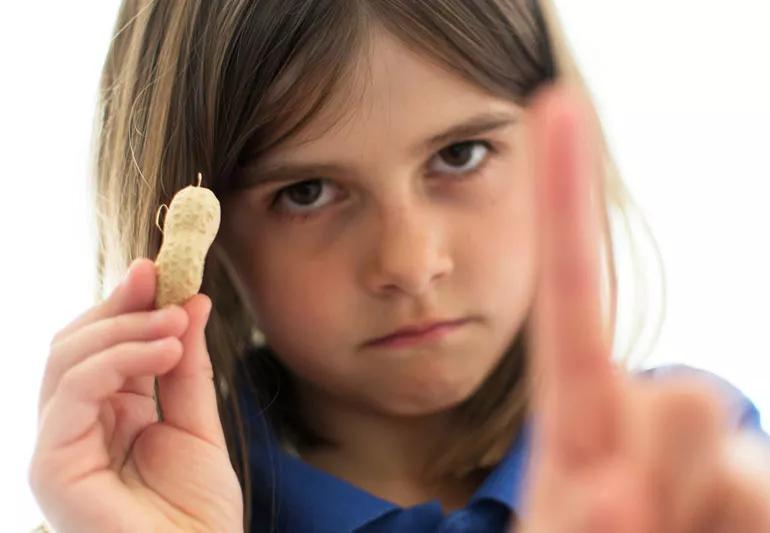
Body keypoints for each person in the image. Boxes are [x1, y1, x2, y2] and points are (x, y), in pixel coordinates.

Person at [28, 1, 770, 532]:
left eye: (460, 155)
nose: (412, 265)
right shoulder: (142, 508)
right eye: (307, 193)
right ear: (206, 236)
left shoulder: (687, 461)